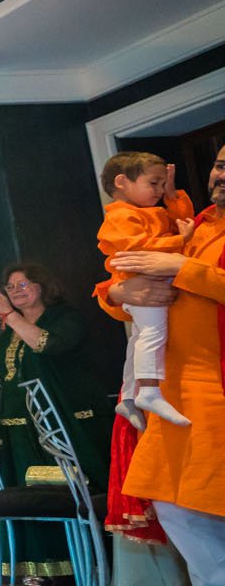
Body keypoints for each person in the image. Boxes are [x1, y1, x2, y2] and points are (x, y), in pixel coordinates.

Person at [102, 144, 225, 586]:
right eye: (218, 164)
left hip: (216, 383)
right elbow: (119, 284)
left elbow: (178, 275)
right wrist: (115, 295)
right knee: (176, 503)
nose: (221, 174)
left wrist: (176, 266)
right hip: (174, 388)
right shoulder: (192, 223)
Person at [0, 262, 111, 586]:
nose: (17, 291)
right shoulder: (9, 334)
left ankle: (95, 567)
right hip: (24, 432)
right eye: (11, 287)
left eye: (24, 284)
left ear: (42, 286)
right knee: (36, 495)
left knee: (78, 494)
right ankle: (48, 569)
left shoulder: (65, 318)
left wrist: (8, 315)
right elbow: (0, 372)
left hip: (67, 427)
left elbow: (46, 344)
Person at [97, 151, 195, 427]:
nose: (159, 190)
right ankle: (149, 392)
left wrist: (172, 193)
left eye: (162, 184)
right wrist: (178, 241)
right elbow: (141, 249)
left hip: (147, 282)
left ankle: (128, 396)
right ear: (121, 182)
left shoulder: (147, 211)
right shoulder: (120, 217)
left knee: (139, 340)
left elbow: (186, 223)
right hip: (144, 282)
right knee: (152, 333)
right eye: (154, 183)